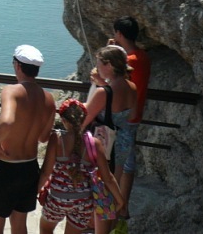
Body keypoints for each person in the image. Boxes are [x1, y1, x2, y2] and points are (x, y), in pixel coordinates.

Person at [0, 44, 56, 234]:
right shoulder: (48, 98)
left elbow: (6, 122)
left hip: (5, 167)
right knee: (19, 226)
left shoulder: (11, 91)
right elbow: (44, 137)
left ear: (18, 66)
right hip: (29, 168)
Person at [38, 99, 124, 234]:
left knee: (45, 228)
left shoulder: (57, 139)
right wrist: (120, 200)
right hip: (83, 202)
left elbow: (45, 172)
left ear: (63, 120)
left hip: (58, 198)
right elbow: (108, 178)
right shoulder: (95, 143)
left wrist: (35, 191)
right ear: (84, 120)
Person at [82, 45, 136, 234]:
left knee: (101, 194)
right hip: (122, 144)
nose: (97, 68)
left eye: (99, 64)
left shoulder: (103, 93)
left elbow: (84, 119)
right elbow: (127, 113)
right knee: (112, 189)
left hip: (105, 148)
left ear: (109, 65)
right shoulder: (131, 87)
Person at [108, 15, 150, 221]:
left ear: (119, 34)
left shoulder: (128, 61)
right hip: (135, 114)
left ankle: (119, 206)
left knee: (120, 162)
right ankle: (121, 205)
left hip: (121, 117)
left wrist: (110, 51)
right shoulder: (143, 57)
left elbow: (108, 77)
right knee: (125, 161)